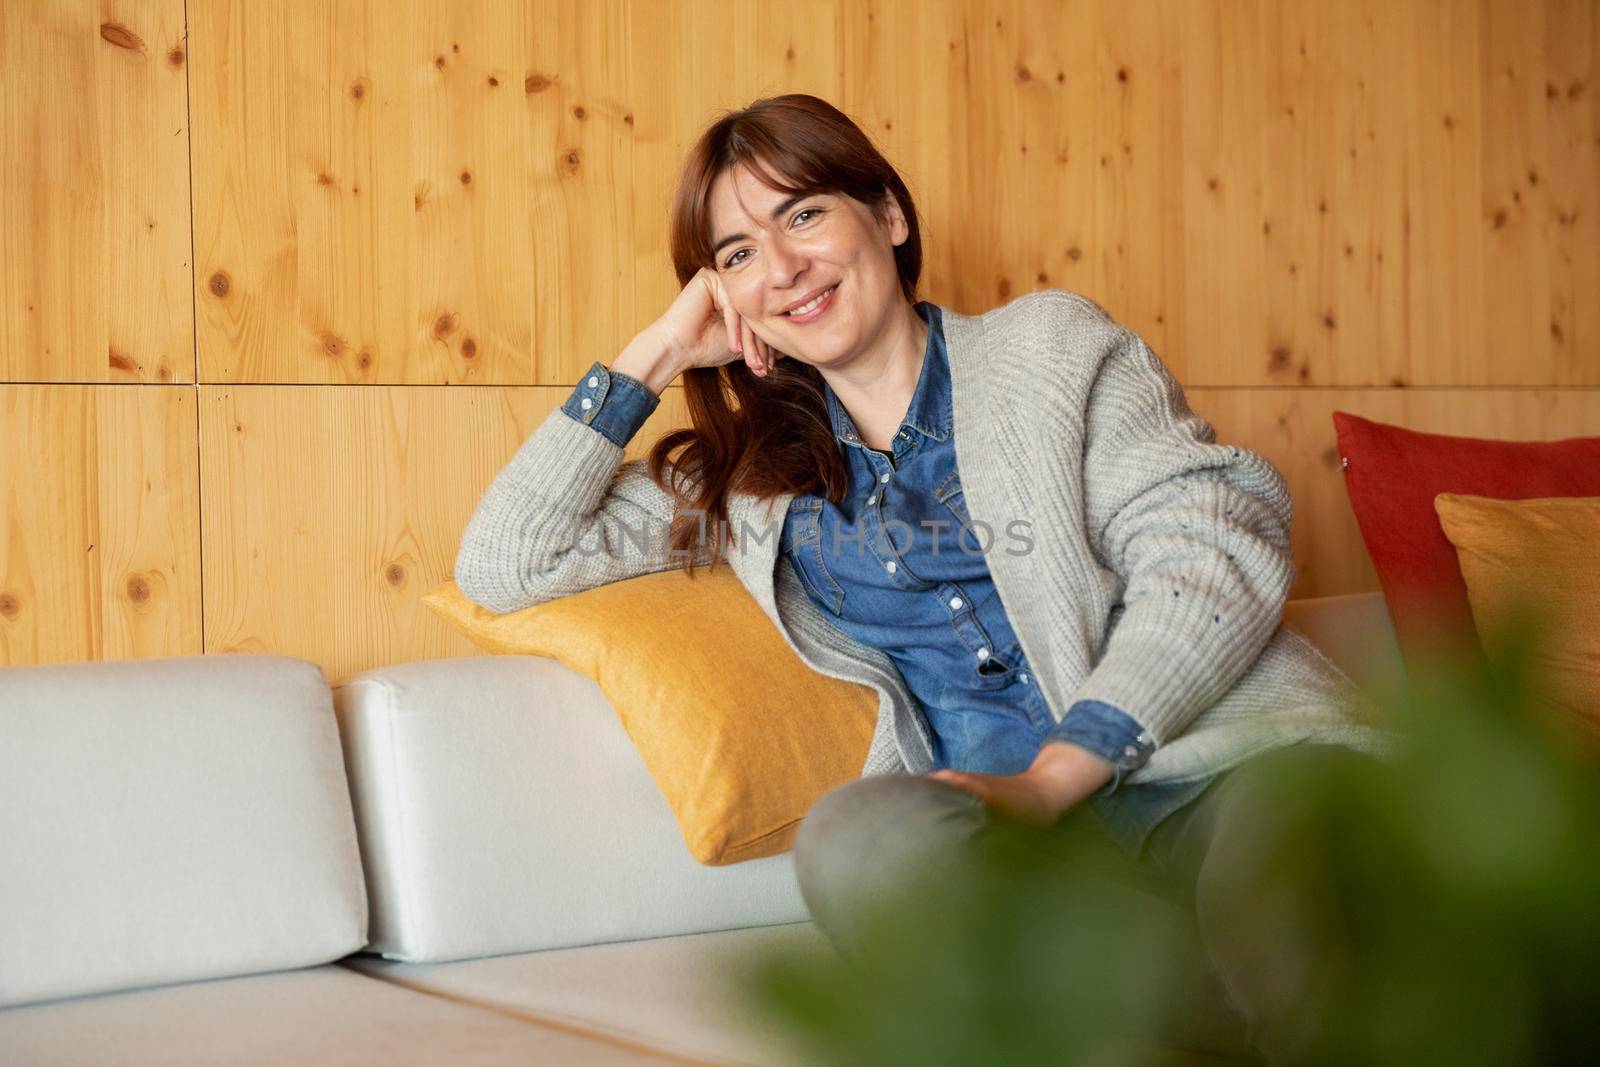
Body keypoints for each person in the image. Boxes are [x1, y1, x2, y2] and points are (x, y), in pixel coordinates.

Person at [454, 93, 1398, 1063]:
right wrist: (652, 354)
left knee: (1299, 878)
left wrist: (1055, 773)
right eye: (736, 254)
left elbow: (1213, 551)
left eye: (803, 214)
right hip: (1017, 854)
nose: (781, 269)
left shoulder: (1050, 350)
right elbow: (504, 560)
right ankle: (1171, 1004)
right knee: (855, 836)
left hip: (1223, 776)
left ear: (888, 217)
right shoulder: (750, 478)